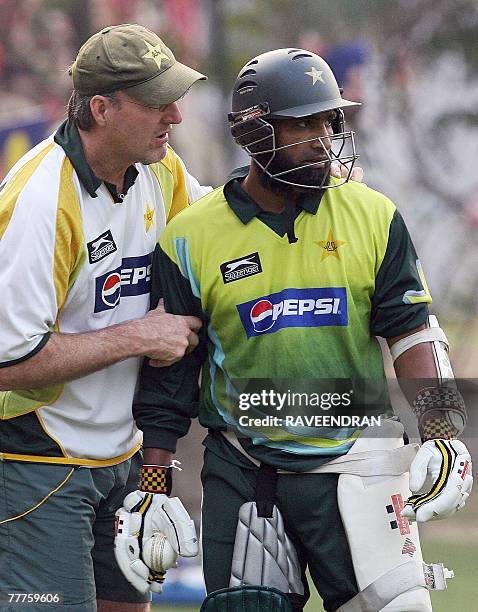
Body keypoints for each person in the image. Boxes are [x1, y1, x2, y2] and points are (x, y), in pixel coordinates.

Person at [128, 48, 472, 612]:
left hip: (360, 461)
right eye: (303, 122)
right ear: (255, 131)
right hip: (246, 472)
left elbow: (412, 332)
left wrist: (442, 430)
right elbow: (168, 384)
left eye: (328, 120)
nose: (321, 136)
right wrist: (153, 488)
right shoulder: (188, 238)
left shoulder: (374, 215)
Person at [0, 23, 212, 612]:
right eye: (155, 102)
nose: (174, 115)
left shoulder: (161, 171)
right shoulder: (41, 199)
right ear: (101, 108)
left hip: (130, 460)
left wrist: (308, 193)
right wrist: (139, 336)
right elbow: (9, 361)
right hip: (38, 465)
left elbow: (218, 231)